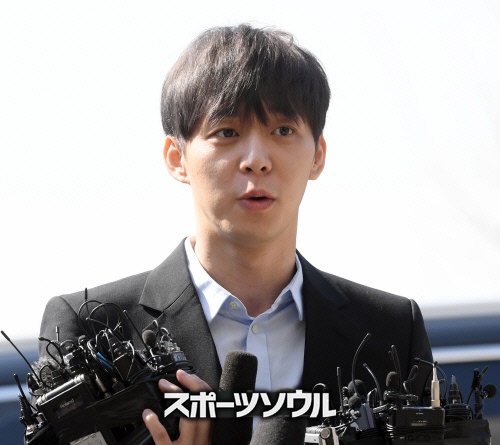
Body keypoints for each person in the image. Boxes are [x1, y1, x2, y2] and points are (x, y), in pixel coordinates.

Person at [37, 24, 433, 444]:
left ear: (317, 155)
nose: (257, 160)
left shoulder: (392, 331)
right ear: (177, 158)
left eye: (283, 131)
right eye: (227, 132)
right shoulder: (92, 329)